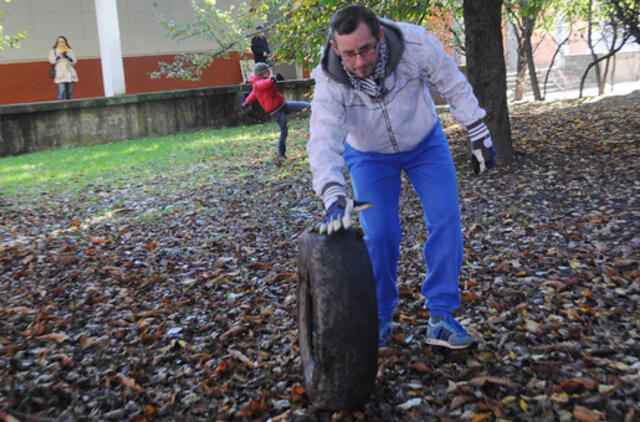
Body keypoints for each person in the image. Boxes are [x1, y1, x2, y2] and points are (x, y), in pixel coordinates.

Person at [307, 5, 496, 349]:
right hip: (369, 155)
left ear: (379, 35)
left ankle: (440, 316)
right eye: (349, 53)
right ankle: (381, 317)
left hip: (425, 143)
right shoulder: (329, 79)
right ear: (336, 50)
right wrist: (332, 194)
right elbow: (323, 137)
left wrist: (478, 130)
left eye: (365, 49)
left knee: (445, 219)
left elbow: (452, 83)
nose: (359, 61)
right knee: (380, 234)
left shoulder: (415, 44)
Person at [242, 62, 310, 165]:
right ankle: (280, 153)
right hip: (277, 111)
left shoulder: (259, 83)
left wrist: (246, 102)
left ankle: (314, 107)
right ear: (262, 74)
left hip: (283, 105)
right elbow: (264, 85)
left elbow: (253, 95)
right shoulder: (258, 84)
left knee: (303, 105)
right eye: (267, 72)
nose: (269, 72)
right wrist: (273, 78)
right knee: (284, 131)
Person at [48, 35, 79, 100]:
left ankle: (70, 108)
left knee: (70, 94)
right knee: (61, 92)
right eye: (60, 42)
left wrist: (68, 57)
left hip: (70, 74)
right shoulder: (54, 50)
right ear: (57, 42)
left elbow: (74, 62)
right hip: (60, 74)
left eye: (63, 41)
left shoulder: (69, 50)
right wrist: (59, 56)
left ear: (65, 42)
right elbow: (52, 61)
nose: (61, 43)